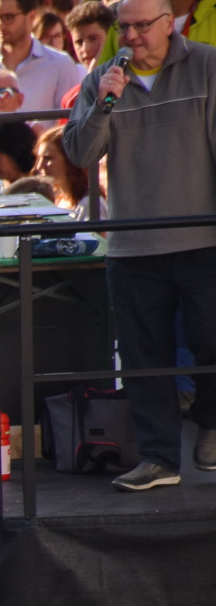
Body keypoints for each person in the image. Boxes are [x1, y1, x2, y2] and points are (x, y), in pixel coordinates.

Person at [61, 0, 216, 486]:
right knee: (143, 358)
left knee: (212, 341)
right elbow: (79, 152)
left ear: (169, 24)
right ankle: (159, 458)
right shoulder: (103, 79)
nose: (130, 36)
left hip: (203, 238)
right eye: (123, 27)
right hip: (133, 245)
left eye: (141, 26)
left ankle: (212, 424)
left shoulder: (207, 66)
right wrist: (104, 104)